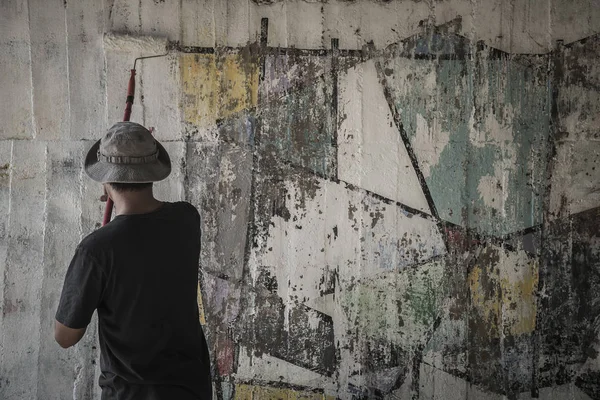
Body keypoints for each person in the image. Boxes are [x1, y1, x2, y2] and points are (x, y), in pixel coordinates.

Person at [54, 122, 212, 399]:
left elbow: (65, 337)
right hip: (191, 388)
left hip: (130, 393)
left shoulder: (96, 249)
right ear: (152, 171)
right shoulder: (187, 219)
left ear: (105, 179)